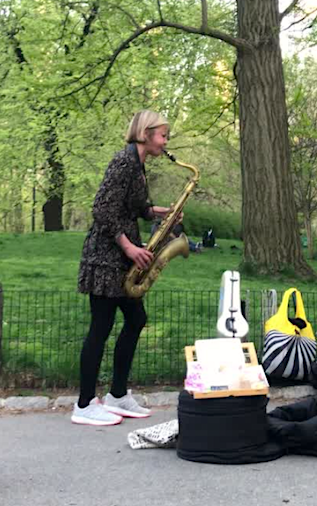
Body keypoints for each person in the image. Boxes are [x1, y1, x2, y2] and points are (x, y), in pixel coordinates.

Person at [73, 110, 176, 425]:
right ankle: (84, 404)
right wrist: (130, 247)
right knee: (100, 328)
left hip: (121, 259)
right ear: (146, 133)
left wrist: (162, 213)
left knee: (136, 319)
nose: (165, 141)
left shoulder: (138, 164)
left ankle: (117, 394)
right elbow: (102, 209)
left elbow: (134, 207)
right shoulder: (123, 162)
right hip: (106, 258)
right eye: (163, 135)